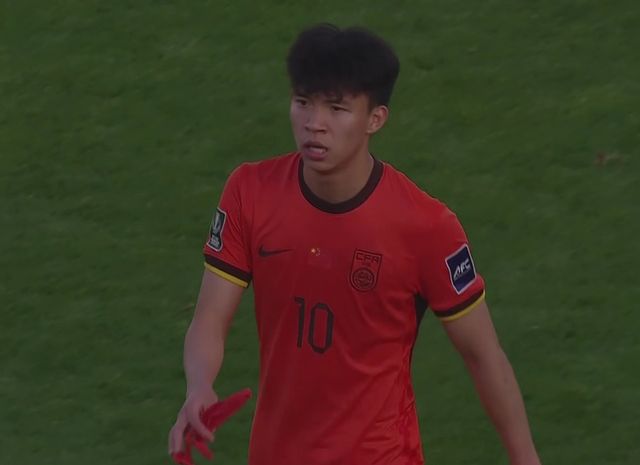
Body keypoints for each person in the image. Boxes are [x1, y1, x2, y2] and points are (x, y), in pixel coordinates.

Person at [168, 23, 542, 465]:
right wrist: (199, 386)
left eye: (336, 108)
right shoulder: (250, 192)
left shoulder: (427, 228)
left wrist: (526, 459)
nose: (314, 124)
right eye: (303, 102)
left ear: (375, 119)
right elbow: (210, 317)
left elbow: (483, 357)